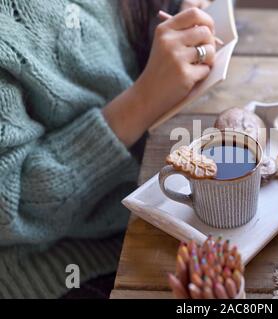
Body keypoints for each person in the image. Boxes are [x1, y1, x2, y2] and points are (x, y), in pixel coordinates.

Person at [0, 0, 215, 298]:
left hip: (160, 199)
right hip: (68, 267)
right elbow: (8, 204)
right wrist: (143, 100)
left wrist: (188, 13)